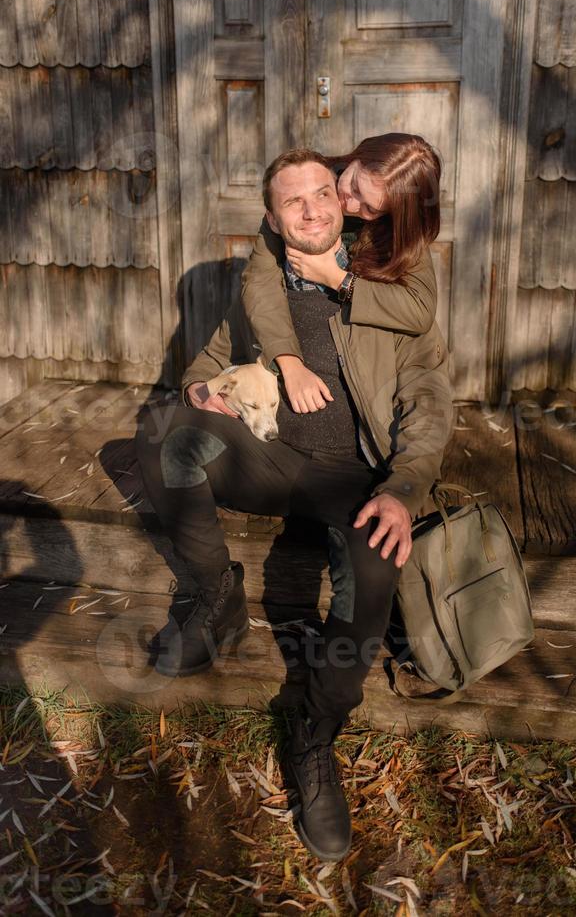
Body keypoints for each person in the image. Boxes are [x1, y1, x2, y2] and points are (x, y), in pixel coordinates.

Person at [135, 149, 453, 863]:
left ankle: (317, 733)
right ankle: (215, 598)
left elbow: (428, 399)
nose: (311, 210)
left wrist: (404, 489)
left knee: (375, 569)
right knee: (163, 433)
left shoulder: (389, 277)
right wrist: (199, 393)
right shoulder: (264, 280)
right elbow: (205, 360)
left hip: (351, 474)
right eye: (292, 202)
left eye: (322, 194)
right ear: (273, 218)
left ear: (346, 204)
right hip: (270, 458)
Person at [241, 133, 443, 416]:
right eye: (355, 186)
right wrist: (289, 364)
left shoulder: (399, 226)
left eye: (371, 208)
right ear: (355, 157)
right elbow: (259, 282)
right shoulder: (310, 183)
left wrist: (336, 278)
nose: (350, 203)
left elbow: (419, 310)